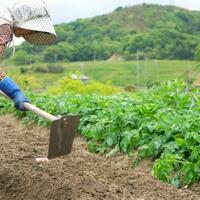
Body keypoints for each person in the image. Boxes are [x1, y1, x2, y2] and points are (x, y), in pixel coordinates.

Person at [0, 0, 56, 110]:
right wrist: (14, 91)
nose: (26, 35)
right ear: (23, 19)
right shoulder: (3, 28)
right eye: (31, 30)